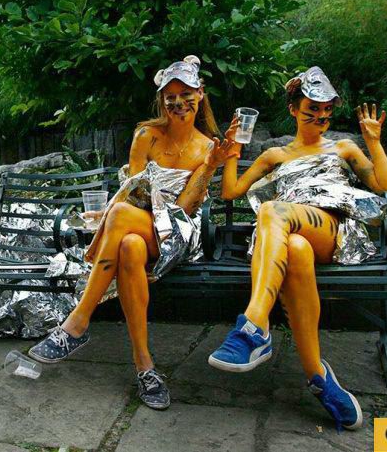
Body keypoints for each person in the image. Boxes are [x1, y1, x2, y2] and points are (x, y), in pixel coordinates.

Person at [28, 55, 238, 410]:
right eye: (170, 96)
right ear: (161, 100)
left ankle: (78, 322)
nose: (178, 102)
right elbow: (132, 192)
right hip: (138, 226)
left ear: (200, 94)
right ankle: (145, 367)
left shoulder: (208, 146)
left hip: (179, 233)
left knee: (123, 217)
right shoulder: (146, 135)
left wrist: (211, 166)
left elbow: (185, 209)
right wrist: (110, 214)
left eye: (186, 94)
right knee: (128, 246)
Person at [208, 66, 387, 432]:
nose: (321, 117)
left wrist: (373, 142)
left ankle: (253, 325)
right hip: (288, 237)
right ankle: (318, 377)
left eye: (327, 111)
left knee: (273, 210)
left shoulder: (343, 148)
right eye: (313, 109)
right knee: (294, 248)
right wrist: (232, 153)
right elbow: (230, 192)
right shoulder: (275, 155)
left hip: (331, 229)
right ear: (294, 110)